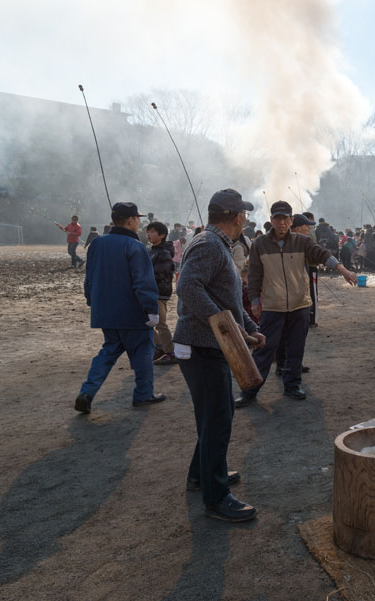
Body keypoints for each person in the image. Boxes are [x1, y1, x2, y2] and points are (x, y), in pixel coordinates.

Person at [173, 188, 264, 522]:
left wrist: (247, 326)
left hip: (210, 344)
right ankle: (216, 496)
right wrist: (226, 326)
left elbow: (225, 296)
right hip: (201, 346)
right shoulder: (210, 245)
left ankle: (202, 474)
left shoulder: (217, 244)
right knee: (218, 419)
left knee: (215, 414)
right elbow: (187, 287)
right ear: (237, 217)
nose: (245, 221)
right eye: (244, 215)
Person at [238, 203, 357, 406]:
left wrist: (343, 270)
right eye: (278, 219)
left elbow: (322, 254)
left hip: (299, 304)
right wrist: (256, 300)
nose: (282, 223)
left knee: (296, 348)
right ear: (272, 220)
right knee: (264, 348)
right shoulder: (260, 245)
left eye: (286, 219)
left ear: (291, 221)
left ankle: (292, 385)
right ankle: (250, 390)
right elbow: (255, 274)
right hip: (273, 306)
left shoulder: (302, 241)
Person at [74, 202, 166, 413]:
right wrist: (151, 310)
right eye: (138, 219)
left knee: (107, 353)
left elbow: (90, 278)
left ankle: (87, 392)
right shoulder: (135, 247)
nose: (139, 223)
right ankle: (144, 394)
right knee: (143, 353)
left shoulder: (97, 244)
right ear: (131, 220)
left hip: (105, 312)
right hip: (132, 313)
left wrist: (92, 300)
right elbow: (143, 283)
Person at [145, 221, 177, 365]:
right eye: (148, 232)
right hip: (149, 292)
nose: (149, 235)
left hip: (158, 293)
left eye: (152, 232)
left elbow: (162, 274)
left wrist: (144, 277)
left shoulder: (163, 253)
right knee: (146, 322)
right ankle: (159, 347)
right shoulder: (152, 250)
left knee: (161, 324)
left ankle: (171, 352)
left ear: (162, 235)